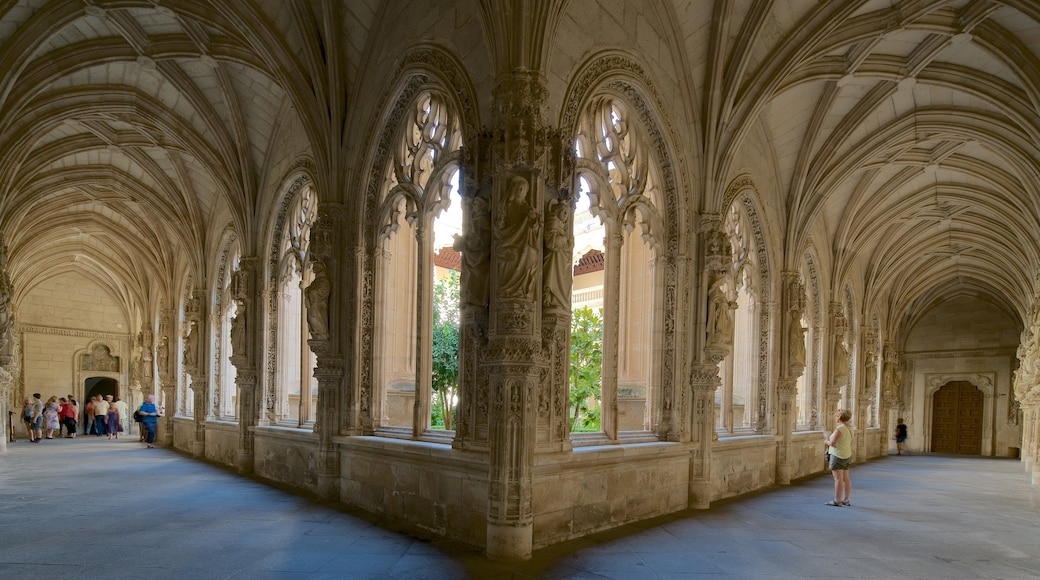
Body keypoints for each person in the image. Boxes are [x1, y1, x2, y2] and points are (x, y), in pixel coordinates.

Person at [824, 409, 854, 507]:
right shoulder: (850, 428)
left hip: (838, 456)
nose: (835, 418)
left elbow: (832, 443)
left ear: (840, 417)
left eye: (836, 416)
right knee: (846, 478)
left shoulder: (840, 429)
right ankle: (846, 499)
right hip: (847, 454)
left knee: (838, 479)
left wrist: (826, 441)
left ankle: (837, 500)